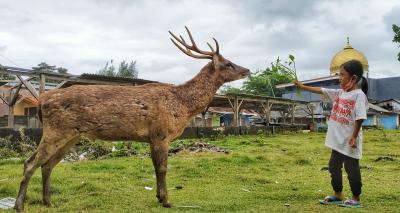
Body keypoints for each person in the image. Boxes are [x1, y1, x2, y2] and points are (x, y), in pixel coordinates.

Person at [294, 59, 368, 208]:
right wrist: (302, 86)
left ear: (353, 78)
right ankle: (338, 194)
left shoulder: (358, 95)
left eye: (342, 74)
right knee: (333, 167)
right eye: (338, 74)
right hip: (337, 142)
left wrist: (354, 136)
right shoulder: (340, 93)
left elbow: (360, 118)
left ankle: (356, 198)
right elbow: (321, 90)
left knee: (351, 169)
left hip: (349, 142)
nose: (339, 78)